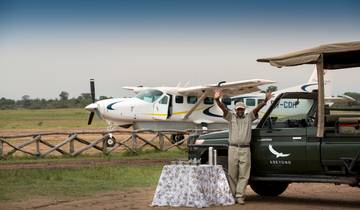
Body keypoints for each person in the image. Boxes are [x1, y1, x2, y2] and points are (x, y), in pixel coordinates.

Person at [214, 89, 272, 205]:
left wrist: (265, 100)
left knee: (244, 174)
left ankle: (240, 196)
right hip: (233, 148)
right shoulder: (231, 117)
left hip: (245, 149)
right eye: (238, 109)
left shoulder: (249, 117)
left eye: (241, 109)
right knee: (232, 174)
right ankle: (232, 195)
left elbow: (257, 109)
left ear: (244, 110)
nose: (240, 110)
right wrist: (217, 99)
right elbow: (223, 108)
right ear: (235, 110)